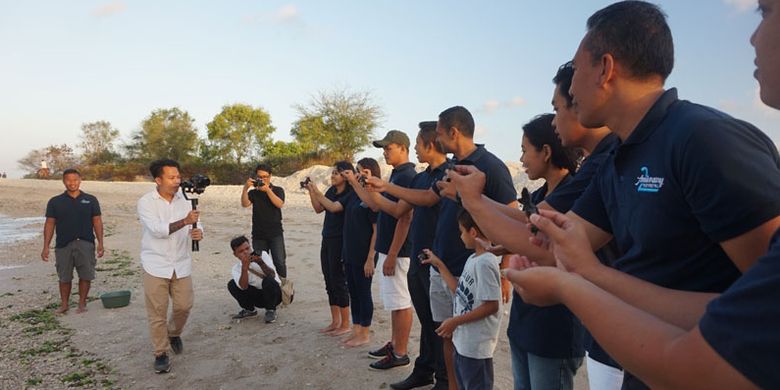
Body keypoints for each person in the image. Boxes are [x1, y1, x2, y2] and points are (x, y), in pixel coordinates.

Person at [367, 106, 517, 389]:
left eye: (438, 133)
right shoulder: (449, 169)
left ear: (453, 132)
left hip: (468, 269)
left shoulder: (490, 165)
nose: (435, 139)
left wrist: (506, 269)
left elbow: (512, 214)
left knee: (470, 342)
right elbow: (425, 197)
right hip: (441, 263)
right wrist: (383, 186)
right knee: (445, 333)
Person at [366, 122, 449, 389]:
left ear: (431, 144)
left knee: (440, 322)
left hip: (437, 260)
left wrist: (391, 254)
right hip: (417, 257)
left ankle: (444, 379)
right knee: (427, 319)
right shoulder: (423, 177)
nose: (415, 148)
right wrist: (372, 187)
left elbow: (410, 210)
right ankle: (424, 370)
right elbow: (400, 208)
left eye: (417, 143)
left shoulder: (449, 174)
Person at [509, 114, 584, 390]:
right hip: (523, 323)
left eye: (524, 150)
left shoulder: (575, 196)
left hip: (553, 330)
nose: (522, 158)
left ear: (546, 152)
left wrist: (474, 199)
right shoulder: (538, 197)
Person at [351, 129, 416, 371]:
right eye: (383, 148)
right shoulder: (396, 175)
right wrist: (359, 184)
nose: (385, 152)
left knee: (400, 302)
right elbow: (376, 205)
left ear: (403, 148)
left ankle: (400, 352)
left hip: (399, 252)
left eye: (389, 148)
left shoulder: (408, 175)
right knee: (393, 302)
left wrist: (391, 254)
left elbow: (406, 218)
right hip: (391, 250)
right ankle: (394, 344)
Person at [420, 209, 502, 390]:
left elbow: (491, 306)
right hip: (464, 343)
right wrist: (438, 264)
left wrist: (455, 321)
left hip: (476, 348)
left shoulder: (486, 263)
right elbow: (459, 290)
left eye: (462, 232)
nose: (461, 236)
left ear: (473, 232)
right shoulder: (473, 258)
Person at [137, 158, 203, 374]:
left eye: (178, 177)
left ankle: (173, 333)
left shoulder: (185, 199)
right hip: (155, 263)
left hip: (181, 263)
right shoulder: (146, 202)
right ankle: (161, 353)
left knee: (184, 306)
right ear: (158, 179)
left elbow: (196, 222)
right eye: (172, 177)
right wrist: (185, 222)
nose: (177, 181)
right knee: (157, 311)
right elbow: (157, 230)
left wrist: (198, 231)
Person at [310, 158, 380, 347]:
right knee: (355, 292)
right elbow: (331, 207)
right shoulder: (353, 195)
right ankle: (356, 330)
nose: (356, 175)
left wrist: (370, 258)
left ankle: (364, 332)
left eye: (359, 171)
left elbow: (376, 230)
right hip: (349, 250)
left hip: (363, 252)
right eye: (356, 171)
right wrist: (313, 191)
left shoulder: (372, 196)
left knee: (363, 293)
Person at [41, 168, 104, 314]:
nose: (72, 183)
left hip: (86, 243)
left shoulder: (91, 199)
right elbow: (50, 224)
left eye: (75, 180)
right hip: (63, 244)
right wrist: (46, 246)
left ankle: (82, 304)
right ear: (63, 181)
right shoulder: (55, 201)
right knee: (64, 276)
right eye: (68, 180)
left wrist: (100, 243)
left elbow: (97, 221)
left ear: (80, 180)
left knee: (85, 274)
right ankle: (64, 304)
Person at [305, 161, 354, 336]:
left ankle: (346, 323)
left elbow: (333, 208)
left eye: (337, 173)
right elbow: (319, 208)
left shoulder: (350, 193)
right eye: (332, 173)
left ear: (346, 176)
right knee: (329, 279)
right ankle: (335, 321)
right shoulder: (331, 191)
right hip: (326, 238)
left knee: (338, 280)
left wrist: (317, 192)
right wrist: (312, 192)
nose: (333, 176)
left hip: (340, 240)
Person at [241, 163, 287, 278]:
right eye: (259, 177)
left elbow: (279, 204)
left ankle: (283, 288)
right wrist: (246, 188)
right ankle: (265, 287)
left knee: (279, 262)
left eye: (265, 177)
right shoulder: (253, 192)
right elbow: (245, 204)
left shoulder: (278, 190)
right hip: (258, 234)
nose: (262, 179)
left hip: (275, 233)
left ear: (270, 176)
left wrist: (267, 190)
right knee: (260, 263)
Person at [227, 236, 281, 323]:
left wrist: (261, 263)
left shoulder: (263, 255)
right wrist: (244, 268)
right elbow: (243, 287)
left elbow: (272, 275)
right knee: (232, 284)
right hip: (257, 297)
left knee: (268, 281)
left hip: (274, 294)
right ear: (235, 254)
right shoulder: (236, 268)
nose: (245, 252)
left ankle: (271, 310)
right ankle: (250, 310)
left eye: (247, 248)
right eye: (241, 251)